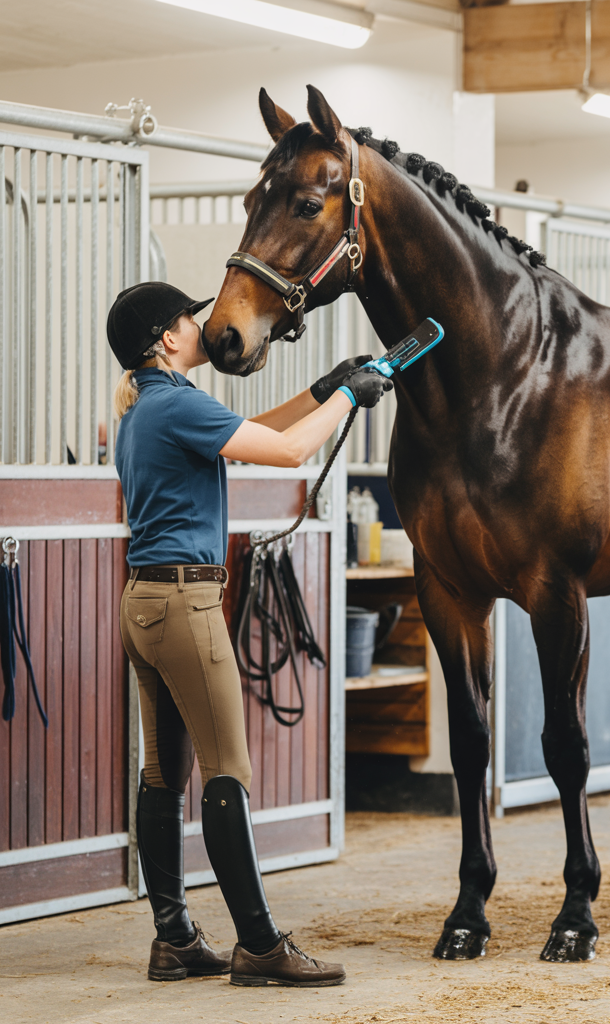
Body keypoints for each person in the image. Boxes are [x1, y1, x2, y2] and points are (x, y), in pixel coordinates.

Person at [108, 281, 390, 987]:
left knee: (161, 774)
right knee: (227, 768)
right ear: (166, 338)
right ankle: (261, 946)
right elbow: (290, 452)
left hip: (144, 602)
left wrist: (323, 391)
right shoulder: (176, 405)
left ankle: (174, 938)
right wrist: (350, 399)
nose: (200, 324)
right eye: (189, 317)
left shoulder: (149, 406)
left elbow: (255, 431)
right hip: (186, 606)